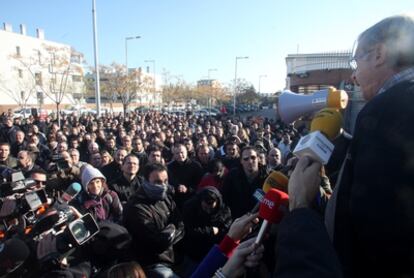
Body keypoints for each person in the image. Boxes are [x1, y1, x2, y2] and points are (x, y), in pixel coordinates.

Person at [321, 15, 414, 277]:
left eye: (357, 59)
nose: (353, 74)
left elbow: (374, 222)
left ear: (379, 54)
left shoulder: (385, 109)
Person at [123, 163, 184, 277]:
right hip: (152, 263)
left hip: (174, 256)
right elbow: (156, 243)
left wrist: (169, 233)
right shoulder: (136, 207)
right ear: (145, 181)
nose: (163, 185)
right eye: (157, 182)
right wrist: (172, 229)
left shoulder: (166, 198)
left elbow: (181, 225)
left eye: (165, 181)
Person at [182, 187, 232, 264]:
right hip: (189, 249)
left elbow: (226, 229)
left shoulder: (224, 212)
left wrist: (219, 232)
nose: (208, 210)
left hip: (208, 252)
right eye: (205, 207)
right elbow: (188, 229)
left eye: (211, 207)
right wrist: (211, 231)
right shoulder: (191, 207)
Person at [222, 146, 268, 218]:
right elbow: (224, 198)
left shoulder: (267, 178)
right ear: (241, 161)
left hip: (260, 221)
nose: (250, 161)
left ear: (258, 159)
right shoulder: (232, 175)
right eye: (246, 159)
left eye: (253, 157)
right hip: (237, 220)